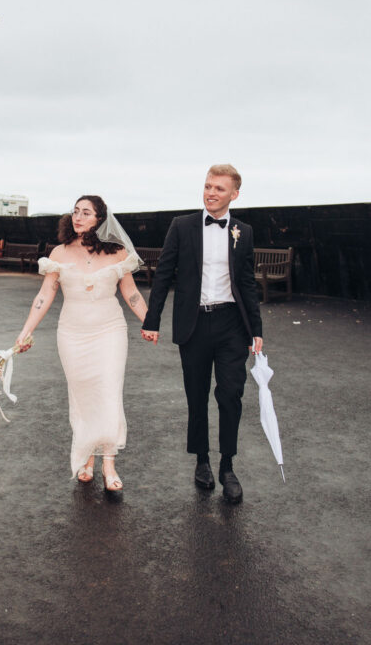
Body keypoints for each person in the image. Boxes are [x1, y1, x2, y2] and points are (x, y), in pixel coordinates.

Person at [140, 164, 263, 504]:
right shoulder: (182, 226)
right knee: (196, 396)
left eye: (219, 189)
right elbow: (163, 275)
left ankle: (227, 465)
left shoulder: (243, 231)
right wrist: (152, 320)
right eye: (208, 186)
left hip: (231, 326)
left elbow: (248, 284)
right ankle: (202, 461)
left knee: (230, 395)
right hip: (194, 324)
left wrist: (257, 330)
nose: (211, 192)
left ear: (234, 194)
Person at [16, 195, 147, 491]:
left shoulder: (118, 253)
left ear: (99, 219)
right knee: (82, 395)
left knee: (109, 391)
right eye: (75, 212)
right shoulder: (59, 253)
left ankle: (109, 463)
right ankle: (86, 457)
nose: (77, 217)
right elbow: (44, 295)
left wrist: (149, 322)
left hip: (109, 330)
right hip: (72, 334)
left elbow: (132, 293)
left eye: (86, 213)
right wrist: (25, 331)